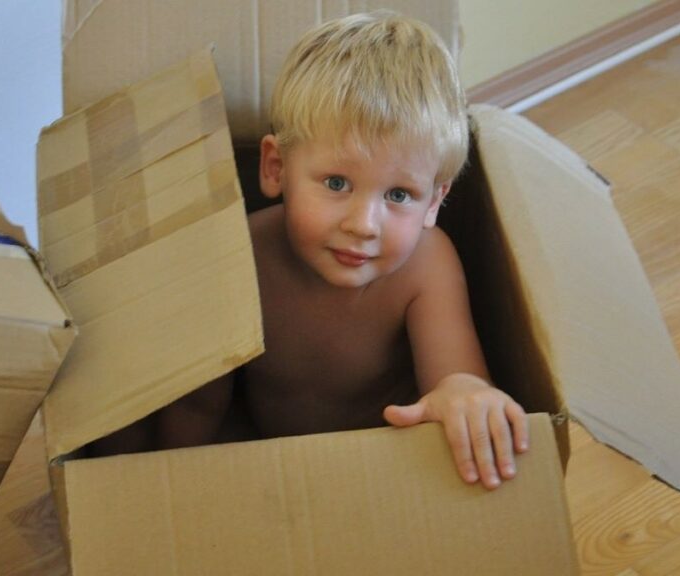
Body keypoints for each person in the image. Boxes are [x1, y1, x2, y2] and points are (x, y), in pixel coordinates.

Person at [159, 11, 528, 490]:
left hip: (387, 471)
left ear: (434, 202)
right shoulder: (241, 255)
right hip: (268, 459)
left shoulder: (427, 264)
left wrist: (466, 395)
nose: (363, 225)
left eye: (398, 196)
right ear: (275, 167)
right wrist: (166, 480)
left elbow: (455, 379)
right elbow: (198, 401)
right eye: (337, 183)